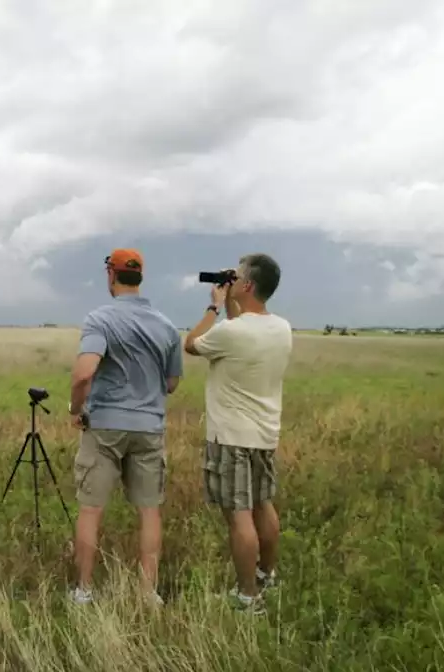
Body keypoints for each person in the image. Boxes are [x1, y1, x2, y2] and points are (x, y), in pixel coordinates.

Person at [67, 248, 183, 606]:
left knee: (91, 508)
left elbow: (84, 371)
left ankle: (83, 591)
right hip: (149, 427)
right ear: (140, 276)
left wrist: (76, 408)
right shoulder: (165, 325)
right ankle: (148, 593)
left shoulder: (100, 319)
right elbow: (173, 382)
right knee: (149, 510)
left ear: (110, 275)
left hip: (104, 426)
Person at [183, 253, 292, 615]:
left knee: (238, 515)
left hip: (230, 436)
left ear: (246, 285)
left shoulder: (230, 330)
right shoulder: (281, 327)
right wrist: (232, 304)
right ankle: (267, 575)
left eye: (237, 275)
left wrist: (215, 307)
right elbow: (240, 331)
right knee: (263, 505)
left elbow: (192, 343)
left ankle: (248, 598)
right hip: (264, 434)